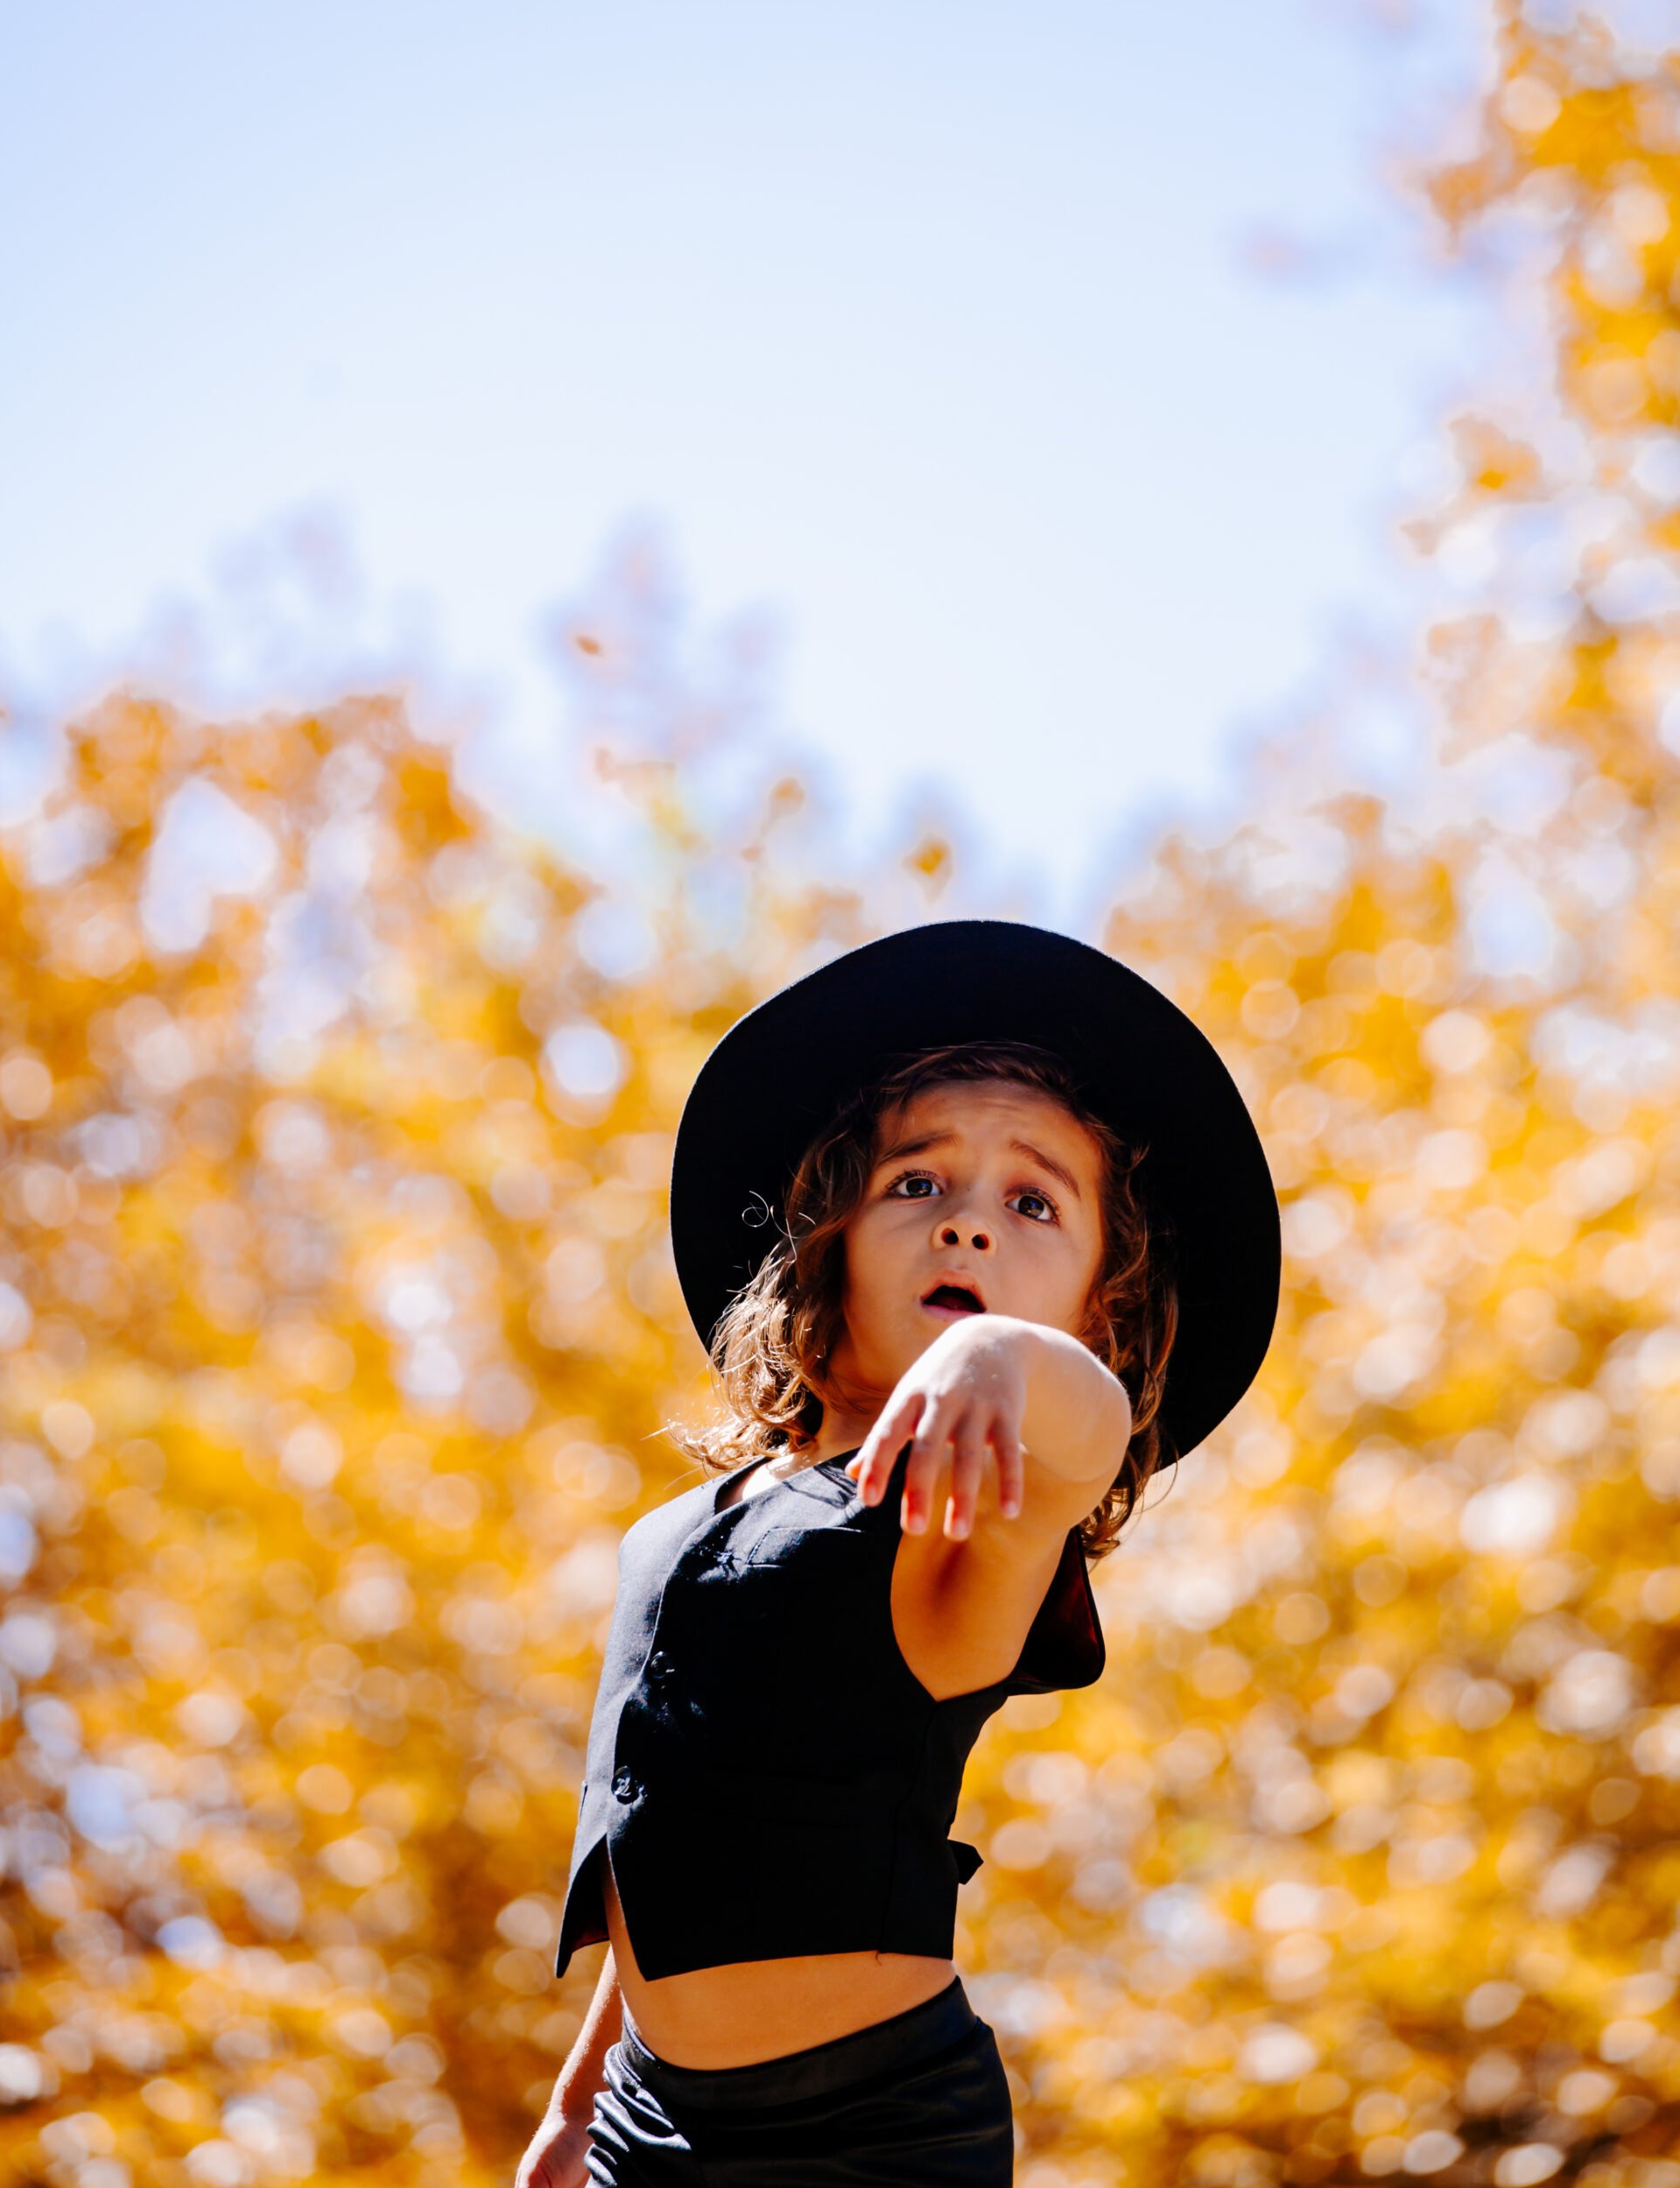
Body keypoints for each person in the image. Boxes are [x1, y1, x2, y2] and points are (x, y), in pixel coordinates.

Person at [516, 918, 1279, 2187]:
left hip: (866, 2135)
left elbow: (1084, 1430)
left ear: (1100, 1308)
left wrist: (1005, 1361)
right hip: (646, 2123)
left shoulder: (968, 1516)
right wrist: (573, 2109)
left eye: (1033, 1202)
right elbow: (667, 1827)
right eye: (918, 1183)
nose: (969, 1225)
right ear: (828, 1239)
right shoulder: (689, 1527)